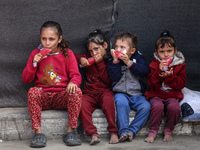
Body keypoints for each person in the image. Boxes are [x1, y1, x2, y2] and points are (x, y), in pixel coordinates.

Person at [22, 21, 82, 148]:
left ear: (59, 39)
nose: (47, 43)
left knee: (77, 91)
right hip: (43, 97)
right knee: (32, 91)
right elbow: (26, 79)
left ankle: (71, 131)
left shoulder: (67, 54)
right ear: (40, 38)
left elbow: (76, 75)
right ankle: (38, 133)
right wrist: (34, 63)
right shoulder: (35, 53)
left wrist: (73, 82)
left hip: (61, 96)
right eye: (44, 39)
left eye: (51, 39)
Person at [75, 29, 119, 145]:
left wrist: (99, 63)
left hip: (104, 92)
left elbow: (108, 80)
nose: (93, 54)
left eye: (96, 49)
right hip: (89, 93)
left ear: (105, 45)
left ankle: (113, 132)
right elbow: (73, 56)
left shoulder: (109, 61)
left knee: (108, 101)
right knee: (81, 103)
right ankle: (92, 134)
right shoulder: (87, 56)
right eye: (90, 51)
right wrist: (82, 59)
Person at [107, 30, 151, 142]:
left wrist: (129, 63)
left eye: (122, 47)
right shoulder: (112, 60)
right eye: (116, 46)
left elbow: (145, 72)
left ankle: (132, 130)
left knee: (146, 106)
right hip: (120, 93)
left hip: (137, 94)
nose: (118, 50)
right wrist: (116, 62)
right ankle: (123, 131)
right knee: (121, 103)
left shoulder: (138, 57)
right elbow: (114, 78)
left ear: (132, 51)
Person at [144, 30, 186, 143]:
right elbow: (151, 82)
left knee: (175, 108)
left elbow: (181, 83)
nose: (166, 54)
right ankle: (153, 131)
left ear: (175, 51)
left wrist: (170, 77)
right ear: (157, 53)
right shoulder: (154, 64)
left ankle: (168, 130)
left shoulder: (180, 65)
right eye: (162, 51)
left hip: (172, 95)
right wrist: (159, 71)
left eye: (169, 51)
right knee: (157, 107)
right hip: (157, 94)